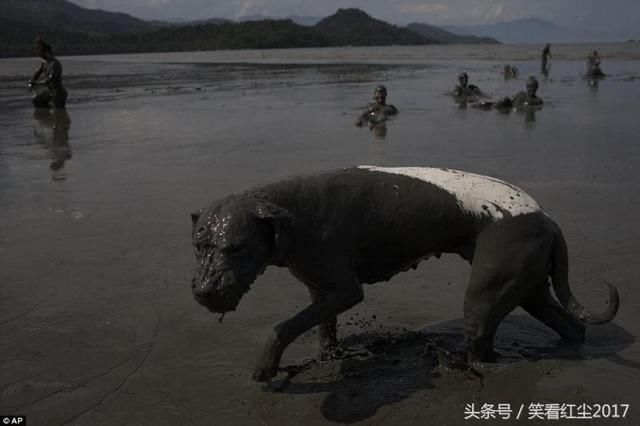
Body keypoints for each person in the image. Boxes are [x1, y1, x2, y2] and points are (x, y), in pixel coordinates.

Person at [28, 38, 68, 109]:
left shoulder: (55, 63)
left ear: (46, 52)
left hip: (58, 93)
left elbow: (50, 78)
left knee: (58, 114)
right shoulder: (44, 62)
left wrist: (37, 83)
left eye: (39, 51)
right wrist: (31, 82)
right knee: (36, 100)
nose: (38, 53)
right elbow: (37, 72)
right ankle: (48, 118)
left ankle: (57, 116)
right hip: (49, 92)